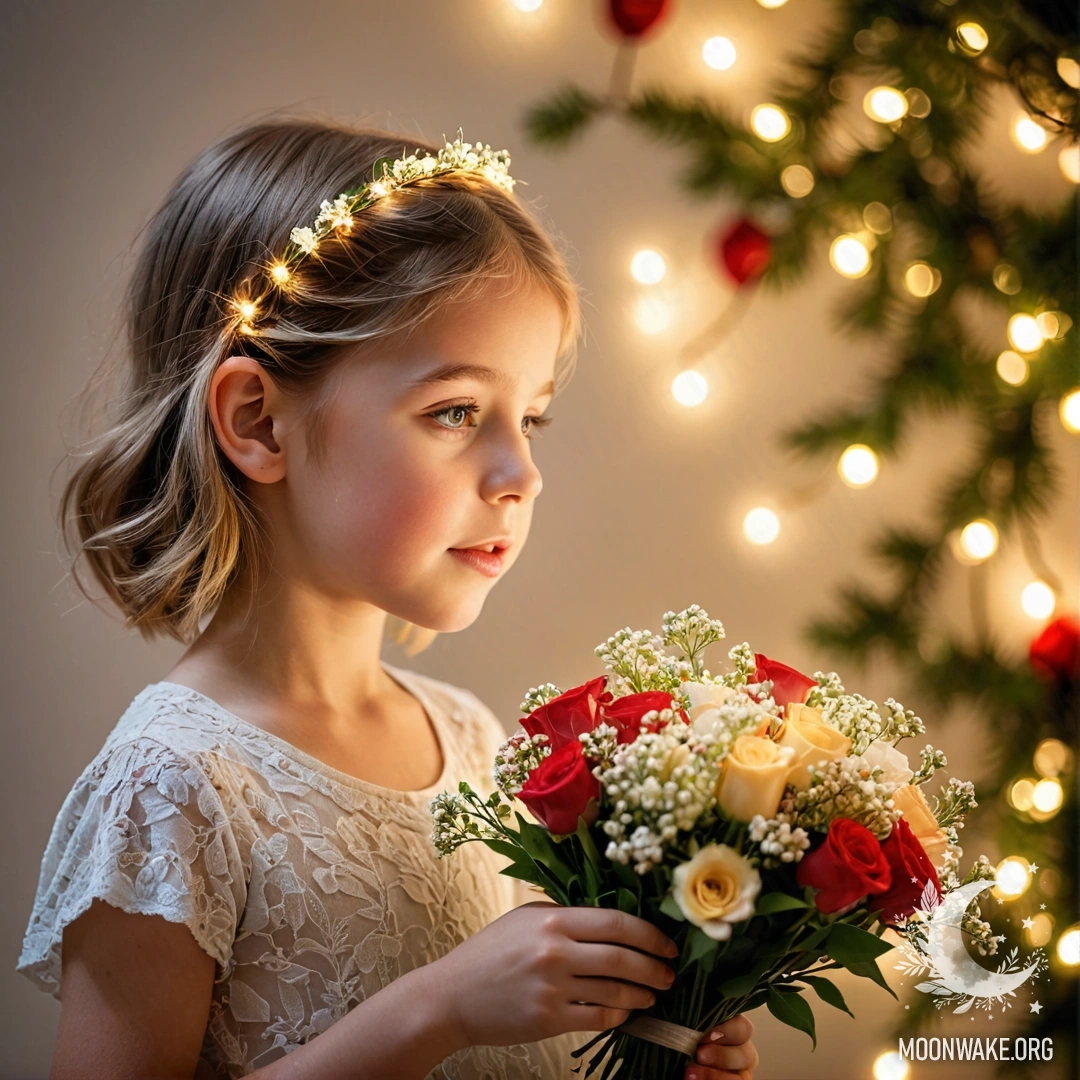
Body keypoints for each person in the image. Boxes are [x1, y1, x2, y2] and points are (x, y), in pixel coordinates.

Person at [16, 117, 759, 1080]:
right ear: (259, 422)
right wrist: (439, 1007)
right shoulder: (170, 792)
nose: (521, 473)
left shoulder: (476, 743)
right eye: (455, 411)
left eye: (528, 417)